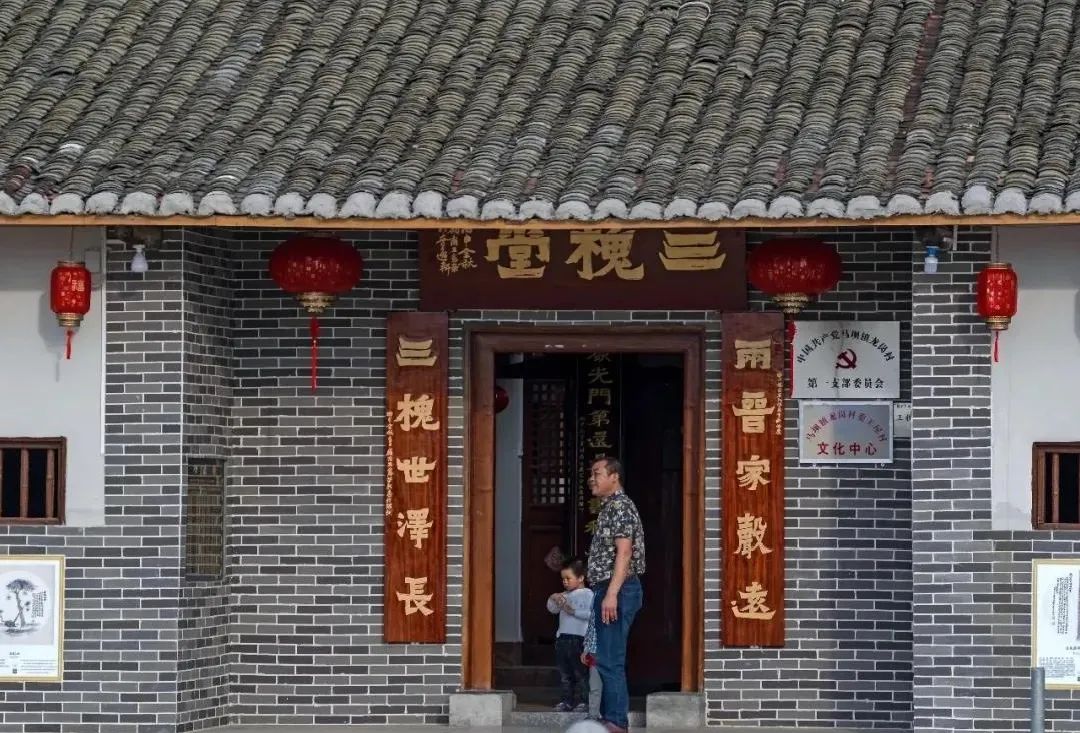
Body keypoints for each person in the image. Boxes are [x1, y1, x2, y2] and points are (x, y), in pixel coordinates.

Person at [586, 457, 645, 733]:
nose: (592, 479)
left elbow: (624, 552)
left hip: (617, 589)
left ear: (614, 477)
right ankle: (612, 719)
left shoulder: (620, 506)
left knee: (610, 658)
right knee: (606, 656)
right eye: (591, 474)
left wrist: (611, 594)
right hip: (610, 588)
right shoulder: (610, 507)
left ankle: (616, 722)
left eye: (597, 473)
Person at [546, 558, 594, 712]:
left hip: (579, 639)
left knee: (581, 673)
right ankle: (567, 701)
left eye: (568, 578)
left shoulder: (588, 594)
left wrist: (573, 612)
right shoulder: (564, 595)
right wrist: (553, 597)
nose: (565, 581)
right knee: (564, 674)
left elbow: (591, 615)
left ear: (581, 578)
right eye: (563, 579)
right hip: (563, 639)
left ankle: (584, 701)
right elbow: (552, 609)